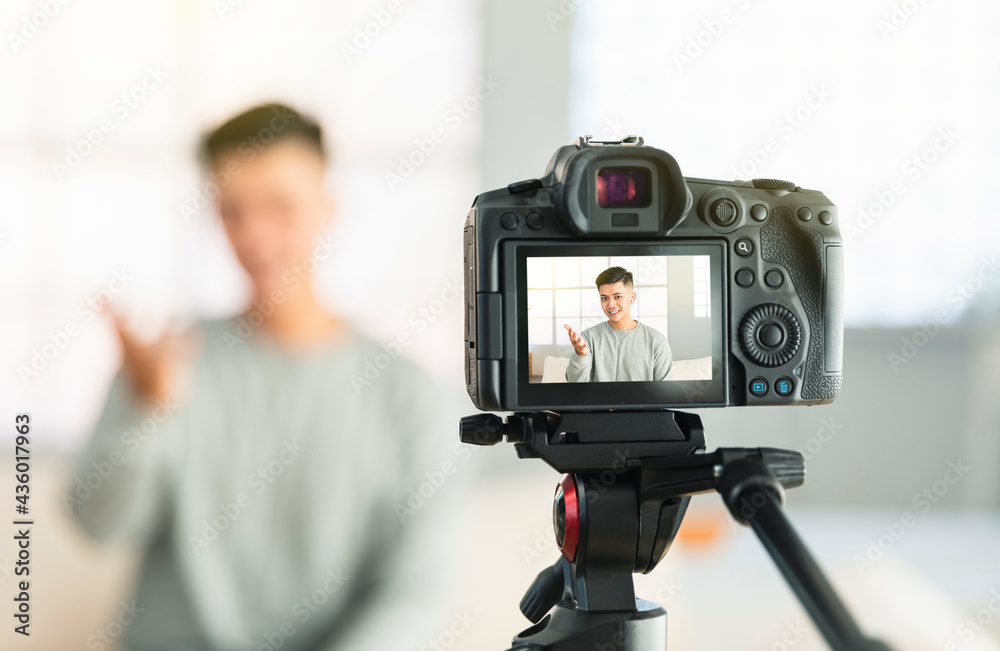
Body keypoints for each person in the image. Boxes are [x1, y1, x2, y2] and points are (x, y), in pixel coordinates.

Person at [66, 104, 465, 650]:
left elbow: (416, 592)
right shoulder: (165, 363)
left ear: (328, 207)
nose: (255, 235)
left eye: (281, 206)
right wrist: (148, 411)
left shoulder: (411, 396)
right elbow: (97, 525)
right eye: (233, 211)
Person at [564, 266, 672, 382]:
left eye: (618, 297)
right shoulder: (588, 338)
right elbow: (574, 387)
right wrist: (581, 355)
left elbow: (665, 393)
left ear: (632, 298)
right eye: (604, 298)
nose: (611, 305)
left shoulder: (657, 341)